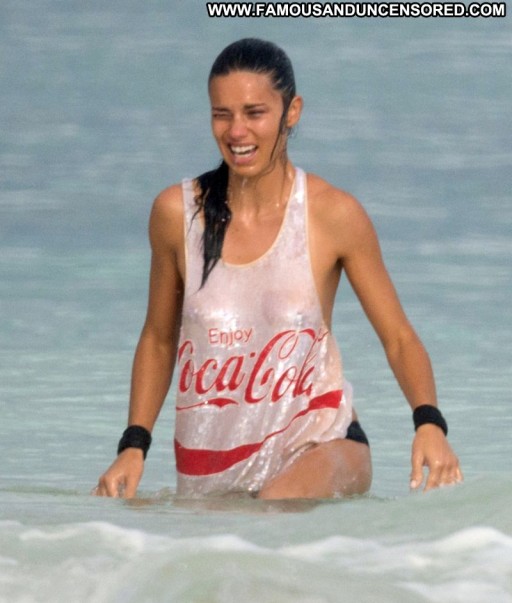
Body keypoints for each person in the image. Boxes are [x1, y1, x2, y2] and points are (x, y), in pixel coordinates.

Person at [94, 38, 462, 500]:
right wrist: (133, 445)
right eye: (222, 114)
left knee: (275, 506)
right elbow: (158, 338)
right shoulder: (177, 214)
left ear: (292, 112)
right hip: (213, 466)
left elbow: (399, 337)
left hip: (324, 443)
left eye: (255, 113)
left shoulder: (332, 214)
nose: (236, 131)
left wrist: (429, 423)